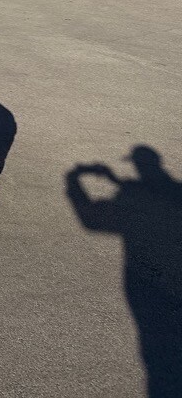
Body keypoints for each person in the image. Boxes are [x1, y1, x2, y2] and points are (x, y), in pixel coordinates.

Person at [66, 146, 182, 397]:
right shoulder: (174, 191)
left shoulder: (132, 194)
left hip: (151, 289)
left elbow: (92, 221)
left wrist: (73, 178)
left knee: (158, 356)